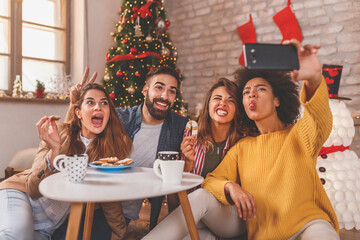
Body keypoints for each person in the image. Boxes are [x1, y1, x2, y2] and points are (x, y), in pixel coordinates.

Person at [143, 39, 340, 240]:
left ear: (277, 99)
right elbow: (212, 181)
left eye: (260, 89)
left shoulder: (298, 135)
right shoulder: (243, 147)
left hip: (309, 226)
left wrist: (315, 78)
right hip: (263, 234)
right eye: (246, 92)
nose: (251, 94)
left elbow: (319, 119)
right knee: (201, 197)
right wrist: (230, 186)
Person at [0, 83, 133, 240]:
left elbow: (110, 200)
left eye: (104, 103)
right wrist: (54, 151)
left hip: (48, 226)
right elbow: (32, 188)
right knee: (16, 235)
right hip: (22, 195)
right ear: (78, 113)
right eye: (90, 102)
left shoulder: (110, 152)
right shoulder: (60, 132)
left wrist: (121, 235)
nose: (98, 107)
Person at [66, 66, 188, 232]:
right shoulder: (120, 118)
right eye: (159, 87)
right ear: (145, 90)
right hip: (95, 201)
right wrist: (74, 103)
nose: (165, 96)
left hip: (123, 214)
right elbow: (74, 135)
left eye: (171, 91)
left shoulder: (179, 126)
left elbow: (177, 181)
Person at [167, 77, 244, 214]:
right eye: (217, 98)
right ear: (208, 104)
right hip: (195, 211)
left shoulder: (242, 141)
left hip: (226, 213)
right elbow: (176, 191)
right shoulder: (191, 134)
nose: (223, 103)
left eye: (230, 100)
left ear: (237, 109)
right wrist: (187, 165)